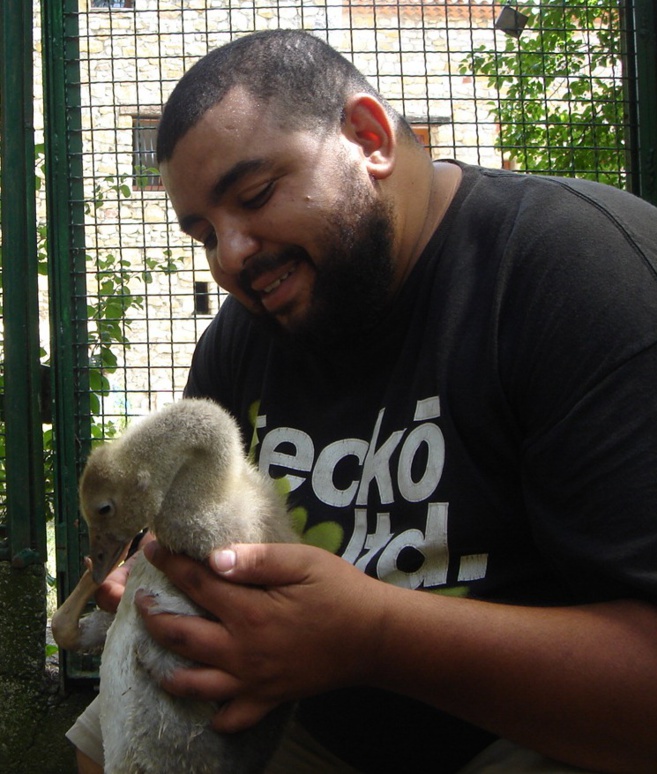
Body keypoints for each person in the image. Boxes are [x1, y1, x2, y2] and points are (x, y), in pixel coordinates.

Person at [68, 29, 657, 774]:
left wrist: (374, 639)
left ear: (368, 136)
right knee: (107, 732)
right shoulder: (247, 333)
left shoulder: (577, 276)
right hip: (303, 713)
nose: (230, 256)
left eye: (253, 197)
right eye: (203, 234)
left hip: (534, 730)